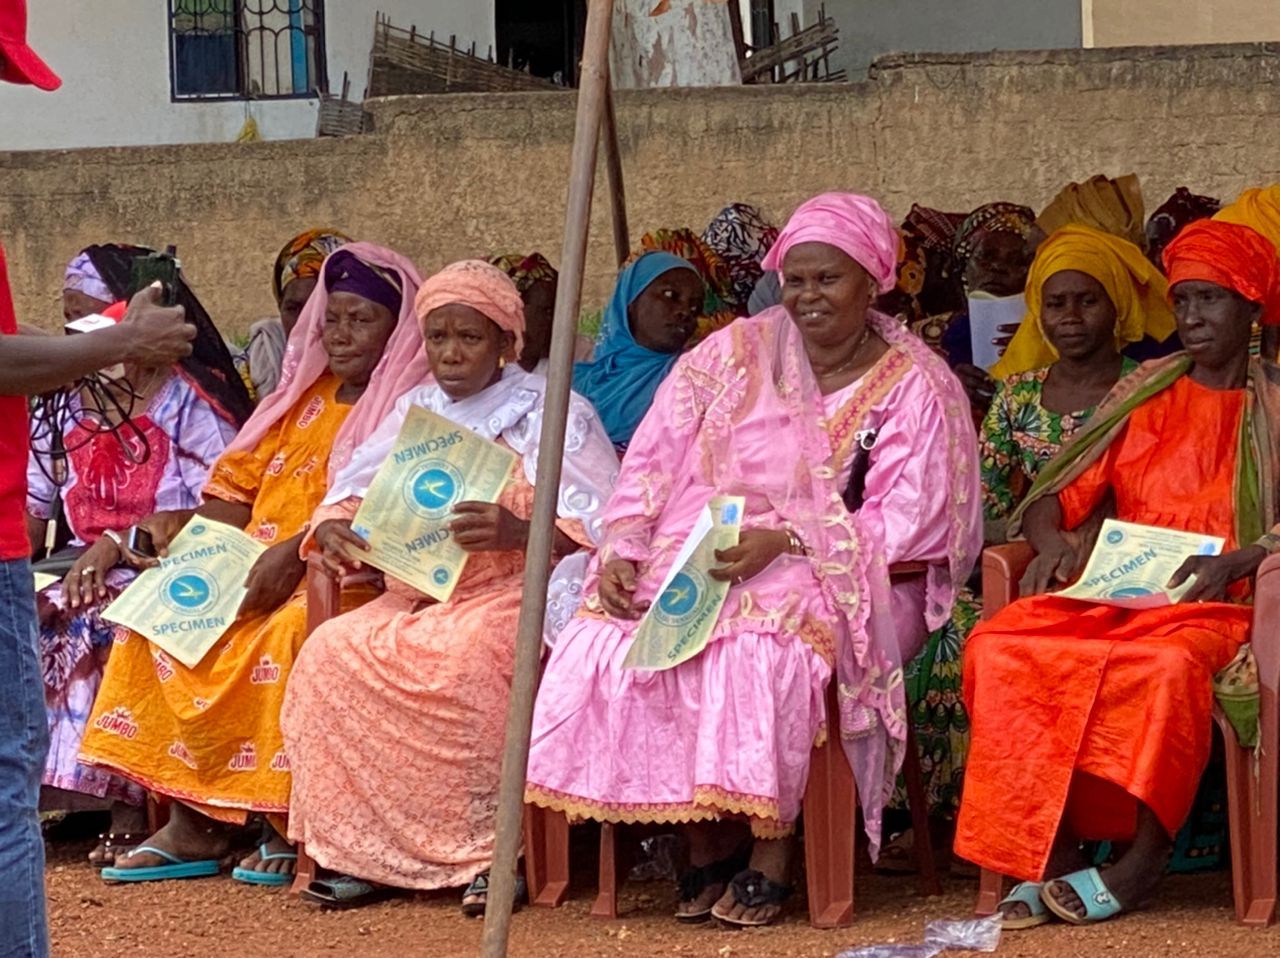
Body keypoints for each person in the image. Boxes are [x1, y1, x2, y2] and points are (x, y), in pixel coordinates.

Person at [526, 192, 981, 928]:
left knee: (760, 652)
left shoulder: (915, 386)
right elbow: (652, 462)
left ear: (874, 280)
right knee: (609, 638)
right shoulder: (731, 353)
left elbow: (910, 521)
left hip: (852, 579)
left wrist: (794, 540)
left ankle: (773, 851)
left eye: (828, 279)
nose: (808, 297)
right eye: (795, 279)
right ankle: (705, 841)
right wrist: (624, 548)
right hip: (710, 556)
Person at [954, 218, 1280, 927]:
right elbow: (1053, 491)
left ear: (1253, 307)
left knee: (1163, 667)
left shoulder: (1274, 402)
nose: (1192, 317)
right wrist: (1052, 543)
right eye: (1183, 299)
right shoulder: (1145, 391)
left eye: (1212, 300)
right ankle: (1057, 851)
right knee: (998, 646)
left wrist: (1246, 556)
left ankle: (1142, 860)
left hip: (1224, 603)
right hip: (1123, 590)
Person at [79, 244, 427, 886]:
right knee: (152, 621)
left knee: (284, 635)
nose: (341, 334)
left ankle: (279, 819)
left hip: (343, 574)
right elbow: (234, 493)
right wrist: (181, 532)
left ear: (399, 327)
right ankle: (196, 821)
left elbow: (393, 511)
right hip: (249, 563)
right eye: (333, 317)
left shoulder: (410, 406)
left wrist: (295, 554)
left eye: (363, 320)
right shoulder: (302, 396)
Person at [281, 260, 618, 911]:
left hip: (514, 590)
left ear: (504, 343)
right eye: (438, 338)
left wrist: (521, 530)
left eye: (469, 337)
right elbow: (346, 495)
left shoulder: (551, 413)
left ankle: (492, 855)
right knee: (329, 653)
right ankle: (360, 852)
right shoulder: (415, 409)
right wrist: (335, 531)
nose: (452, 353)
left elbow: (607, 521)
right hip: (417, 596)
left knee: (468, 662)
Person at [0, 6, 194, 951]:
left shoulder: (190, 407)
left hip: (139, 563)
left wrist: (113, 547)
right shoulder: (78, 395)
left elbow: (205, 501)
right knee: (4, 780)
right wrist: (123, 344)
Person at [882, 222, 1161, 872]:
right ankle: (957, 825)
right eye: (1056, 303)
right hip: (1033, 566)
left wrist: (1092, 541)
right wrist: (1044, 539)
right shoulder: (1014, 398)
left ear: (1116, 306)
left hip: (1129, 566)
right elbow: (976, 504)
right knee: (946, 641)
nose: (1070, 318)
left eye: (1087, 301)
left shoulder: (1149, 388)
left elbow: (1161, 486)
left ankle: (1070, 826)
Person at [30, 244, 250, 866]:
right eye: (71, 320)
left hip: (172, 561)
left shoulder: (192, 405)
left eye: (98, 318)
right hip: (72, 561)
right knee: (26, 609)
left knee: (96, 614)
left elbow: (226, 507)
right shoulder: (61, 403)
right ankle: (53, 800)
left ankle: (123, 803)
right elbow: (32, 508)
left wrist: (119, 544)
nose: (82, 336)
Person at [571, 251, 704, 450]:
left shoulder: (691, 381)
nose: (685, 312)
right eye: (670, 295)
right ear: (631, 300)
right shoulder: (576, 382)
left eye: (695, 308)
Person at [243, 229, 352, 399]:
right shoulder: (254, 375)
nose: (305, 323)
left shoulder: (387, 383)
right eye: (293, 309)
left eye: (318, 308)